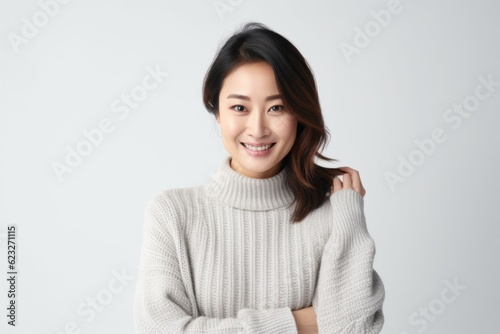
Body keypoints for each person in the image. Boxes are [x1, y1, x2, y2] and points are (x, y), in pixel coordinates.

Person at [133, 22, 385, 333]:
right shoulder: (172, 213)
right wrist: (296, 323)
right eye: (240, 107)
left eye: (277, 107)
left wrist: (349, 217)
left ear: (300, 115)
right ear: (216, 112)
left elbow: (353, 329)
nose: (257, 128)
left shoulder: (333, 211)